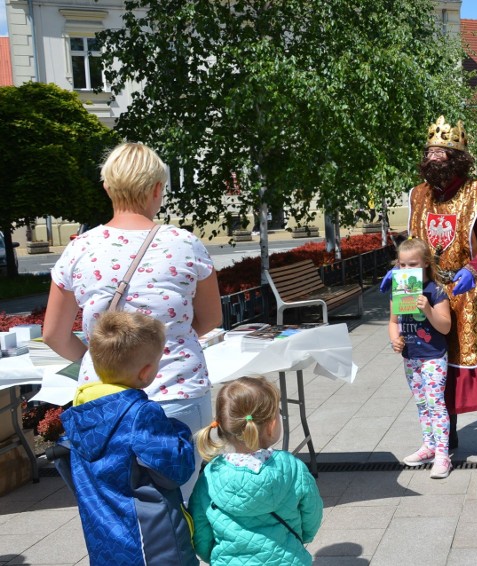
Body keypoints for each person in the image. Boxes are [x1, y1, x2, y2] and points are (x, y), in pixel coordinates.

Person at [44, 141, 222, 498]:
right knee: (179, 505)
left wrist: (101, 358)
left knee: (114, 512)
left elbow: (53, 334)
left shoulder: (80, 248)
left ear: (107, 188)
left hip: (104, 398)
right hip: (177, 389)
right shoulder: (185, 244)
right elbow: (210, 318)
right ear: (158, 189)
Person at [382, 116, 477, 462]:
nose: (431, 158)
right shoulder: (419, 195)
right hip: (428, 290)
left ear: (456, 157)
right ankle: (447, 439)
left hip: (471, 291)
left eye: (439, 153)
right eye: (428, 152)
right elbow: (414, 241)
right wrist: (399, 271)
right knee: (436, 363)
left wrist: (476, 268)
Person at [60, 311, 197, 566]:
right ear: (145, 373)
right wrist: (179, 431)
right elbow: (176, 470)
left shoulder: (81, 413)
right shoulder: (141, 414)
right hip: (151, 543)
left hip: (104, 542)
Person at [189, 377, 323, 566]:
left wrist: (215, 556)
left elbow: (200, 530)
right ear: (272, 425)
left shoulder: (210, 475)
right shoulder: (292, 468)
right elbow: (312, 514)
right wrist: (300, 538)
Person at [388, 237, 453, 478]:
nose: (406, 270)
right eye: (402, 265)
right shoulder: (400, 290)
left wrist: (427, 308)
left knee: (436, 403)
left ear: (425, 264)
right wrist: (395, 339)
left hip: (433, 357)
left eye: (412, 264)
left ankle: (442, 455)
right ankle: (429, 445)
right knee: (421, 403)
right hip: (411, 357)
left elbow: (445, 326)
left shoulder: (435, 291)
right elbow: (393, 322)